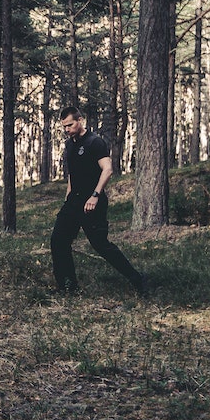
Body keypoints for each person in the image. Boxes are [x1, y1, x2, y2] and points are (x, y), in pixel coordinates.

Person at [50, 105, 149, 297]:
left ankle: (138, 279)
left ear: (80, 120)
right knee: (58, 241)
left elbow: (108, 169)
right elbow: (73, 173)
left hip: (92, 202)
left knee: (101, 245)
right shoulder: (70, 144)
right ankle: (68, 287)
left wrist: (95, 196)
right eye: (64, 126)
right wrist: (68, 197)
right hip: (73, 202)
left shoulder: (95, 142)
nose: (67, 129)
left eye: (69, 125)